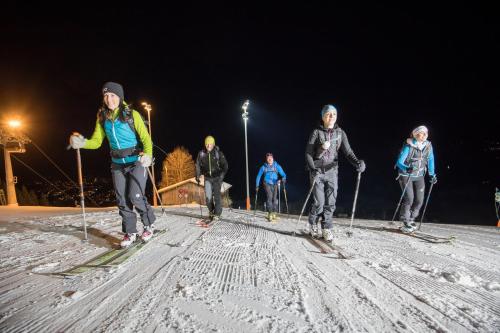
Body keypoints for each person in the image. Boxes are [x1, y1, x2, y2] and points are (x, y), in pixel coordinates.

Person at [69, 82, 155, 248]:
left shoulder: (131, 114)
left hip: (136, 160)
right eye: (106, 96)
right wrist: (82, 143)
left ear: (120, 97)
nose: (109, 99)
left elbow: (146, 138)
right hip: (117, 164)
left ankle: (149, 225)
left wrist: (148, 156)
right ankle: (130, 232)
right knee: (122, 199)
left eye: (113, 96)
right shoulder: (102, 117)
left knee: (135, 196)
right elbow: (96, 142)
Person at [305, 104, 366, 241]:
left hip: (332, 171)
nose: (331, 116)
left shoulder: (340, 133)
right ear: (323, 117)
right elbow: (308, 153)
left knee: (331, 201)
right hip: (317, 171)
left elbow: (348, 152)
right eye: (328, 114)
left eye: (334, 114)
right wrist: (312, 169)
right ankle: (312, 223)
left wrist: (357, 162)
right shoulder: (316, 132)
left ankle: (326, 228)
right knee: (319, 202)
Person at [395, 125, 436, 233]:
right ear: (415, 135)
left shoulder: (428, 146)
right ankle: (405, 221)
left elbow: (431, 160)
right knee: (409, 198)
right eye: (419, 134)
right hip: (405, 175)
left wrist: (432, 174)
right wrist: (406, 168)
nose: (421, 136)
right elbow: (399, 162)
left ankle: (412, 219)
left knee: (419, 200)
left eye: (424, 134)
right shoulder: (409, 145)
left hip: (419, 175)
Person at [195, 135, 229, 221]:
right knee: (208, 198)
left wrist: (221, 176)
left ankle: (217, 213)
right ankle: (211, 211)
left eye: (210, 144)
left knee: (217, 197)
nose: (208, 145)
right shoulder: (201, 154)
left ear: (213, 144)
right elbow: (198, 165)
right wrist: (198, 175)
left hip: (217, 178)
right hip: (207, 178)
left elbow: (225, 166)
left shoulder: (218, 153)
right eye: (207, 144)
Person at [255, 153, 287, 221]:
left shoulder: (277, 166)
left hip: (275, 183)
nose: (269, 159)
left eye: (271, 158)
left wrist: (283, 178)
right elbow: (258, 176)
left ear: (273, 158)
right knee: (269, 197)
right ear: (266, 159)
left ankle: (274, 213)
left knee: (274, 199)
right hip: (266, 183)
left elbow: (283, 174)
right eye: (268, 158)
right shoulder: (263, 167)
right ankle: (270, 213)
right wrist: (257, 185)